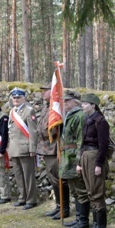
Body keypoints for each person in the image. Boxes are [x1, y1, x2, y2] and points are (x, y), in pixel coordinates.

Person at [76, 93, 110, 228]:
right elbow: (83, 142)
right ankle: (95, 225)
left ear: (93, 105)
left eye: (85, 103)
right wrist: (79, 163)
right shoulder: (88, 120)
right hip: (86, 156)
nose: (82, 105)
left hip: (95, 156)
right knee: (90, 192)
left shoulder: (100, 121)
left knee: (96, 192)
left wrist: (99, 164)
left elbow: (103, 145)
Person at [60, 90, 91, 228]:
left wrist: (79, 161)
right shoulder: (70, 115)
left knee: (81, 189)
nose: (65, 103)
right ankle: (79, 217)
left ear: (76, 102)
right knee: (74, 189)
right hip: (68, 156)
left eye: (68, 101)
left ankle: (83, 220)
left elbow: (81, 141)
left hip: (74, 156)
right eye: (64, 100)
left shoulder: (79, 116)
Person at [38, 84, 69, 219]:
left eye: (45, 91)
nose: (43, 94)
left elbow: (56, 128)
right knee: (53, 179)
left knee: (58, 179)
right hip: (46, 148)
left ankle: (64, 208)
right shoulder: (47, 107)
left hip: (54, 148)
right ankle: (58, 206)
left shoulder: (57, 107)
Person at [7, 88, 38, 209]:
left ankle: (31, 200)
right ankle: (22, 197)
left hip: (25, 148)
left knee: (28, 176)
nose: (16, 100)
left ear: (24, 98)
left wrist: (32, 148)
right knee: (18, 175)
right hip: (14, 149)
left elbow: (33, 132)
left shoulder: (29, 111)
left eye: (18, 97)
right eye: (14, 98)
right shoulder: (12, 112)